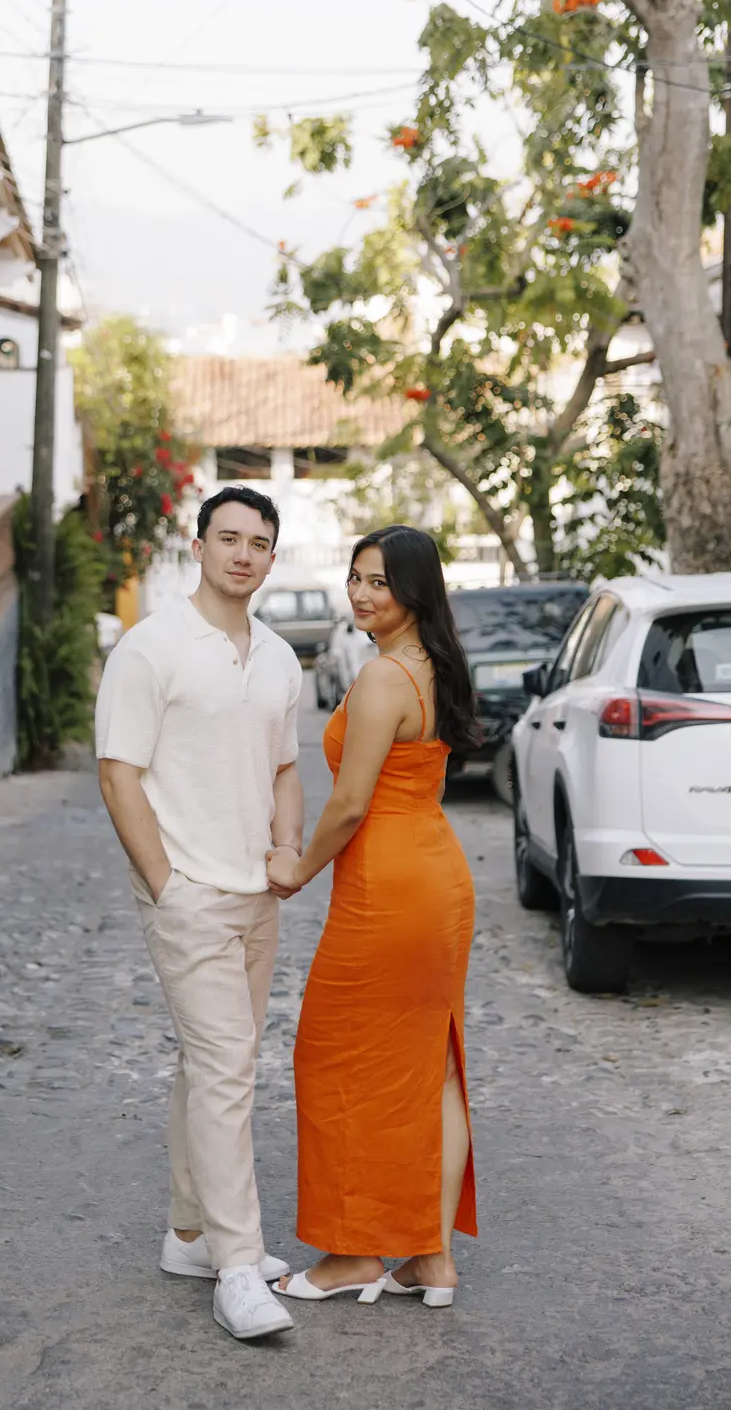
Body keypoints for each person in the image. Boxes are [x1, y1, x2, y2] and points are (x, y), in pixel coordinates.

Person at [96, 487, 305, 1342]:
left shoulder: (283, 658)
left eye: (259, 542)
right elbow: (119, 773)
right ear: (200, 544)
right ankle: (238, 1266)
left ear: (270, 556)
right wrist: (165, 882)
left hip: (257, 896)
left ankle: (190, 1236)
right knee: (228, 1068)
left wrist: (286, 849)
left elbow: (285, 768)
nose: (243, 554)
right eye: (229, 538)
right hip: (188, 896)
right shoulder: (151, 649)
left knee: (210, 1064)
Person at [266, 525, 479, 1308]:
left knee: (334, 1058)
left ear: (414, 591)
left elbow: (351, 803)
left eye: (379, 582)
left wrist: (294, 869)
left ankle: (354, 1254)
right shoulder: (437, 666)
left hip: (387, 888)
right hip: (436, 876)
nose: (361, 593)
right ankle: (431, 1258)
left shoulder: (387, 678)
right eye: (355, 578)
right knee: (432, 1065)